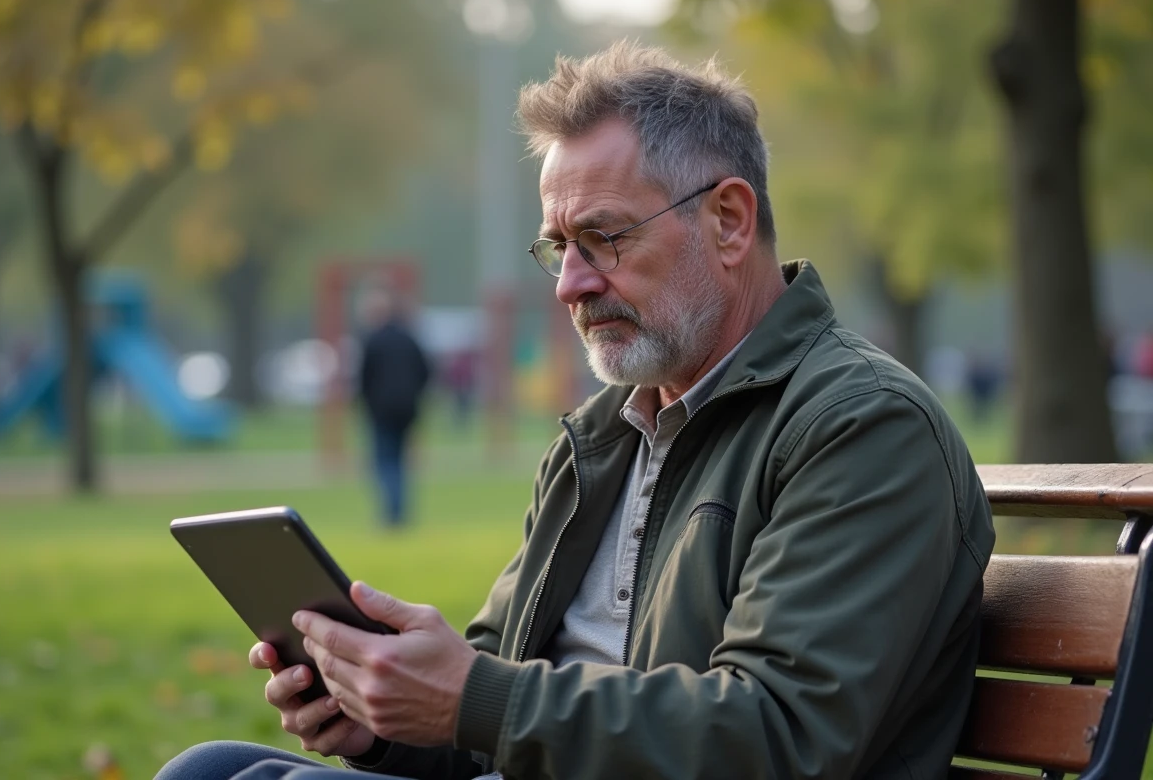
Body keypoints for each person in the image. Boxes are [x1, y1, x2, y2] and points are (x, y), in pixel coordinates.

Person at [157, 42, 996, 780]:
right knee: (211, 768)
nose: (570, 285)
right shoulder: (603, 437)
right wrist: (379, 718)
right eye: (559, 248)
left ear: (730, 221)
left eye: (604, 238)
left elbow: (778, 736)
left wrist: (473, 698)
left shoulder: (862, 427)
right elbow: (493, 707)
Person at [355, 287, 430, 528]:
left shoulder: (373, 340)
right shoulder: (408, 339)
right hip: (407, 409)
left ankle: (392, 514)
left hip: (381, 410)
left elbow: (364, 378)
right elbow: (425, 371)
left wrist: (365, 403)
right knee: (399, 461)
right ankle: (399, 511)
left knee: (385, 461)